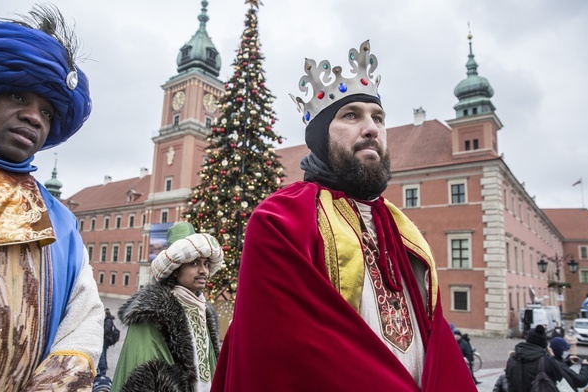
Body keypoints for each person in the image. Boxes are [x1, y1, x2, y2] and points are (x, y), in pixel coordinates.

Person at [210, 40, 475, 391]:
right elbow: (290, 354)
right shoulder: (280, 220)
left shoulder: (400, 228)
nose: (372, 129)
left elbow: (437, 340)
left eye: (378, 118)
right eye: (351, 115)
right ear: (320, 137)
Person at [0, 4, 103, 391]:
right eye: (17, 96)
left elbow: (83, 321)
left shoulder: (60, 218)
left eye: (46, 111)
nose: (34, 117)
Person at [111, 222, 224, 391]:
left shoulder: (206, 312)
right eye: (194, 263)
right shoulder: (151, 312)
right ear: (175, 270)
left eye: (206, 264)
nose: (203, 271)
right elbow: (142, 379)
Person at [506, 324, 564, 392]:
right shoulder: (546, 361)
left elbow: (508, 382)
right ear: (544, 343)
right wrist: (553, 357)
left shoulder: (512, 359)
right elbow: (561, 376)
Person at [98, 308, 117, 376]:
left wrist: (99, 332)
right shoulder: (107, 320)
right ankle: (104, 365)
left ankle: (104, 366)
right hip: (104, 339)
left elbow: (106, 330)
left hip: (105, 340)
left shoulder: (108, 320)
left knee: (104, 353)